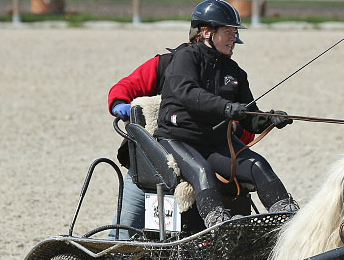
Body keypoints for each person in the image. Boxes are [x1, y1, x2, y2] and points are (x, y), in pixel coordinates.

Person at [155, 0, 298, 227]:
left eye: (235, 32)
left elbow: (250, 117)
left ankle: (289, 219)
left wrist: (270, 119)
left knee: (258, 165)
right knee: (203, 172)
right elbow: (188, 92)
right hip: (178, 139)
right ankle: (219, 226)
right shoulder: (186, 58)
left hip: (215, 143)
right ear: (206, 32)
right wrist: (226, 107)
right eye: (228, 32)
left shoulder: (235, 71)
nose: (234, 38)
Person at [106, 25, 258, 238]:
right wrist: (119, 103)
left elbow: (247, 129)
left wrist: (234, 127)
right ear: (203, 36)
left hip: (206, 162)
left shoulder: (229, 74)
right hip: (154, 160)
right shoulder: (164, 63)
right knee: (124, 229)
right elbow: (125, 87)